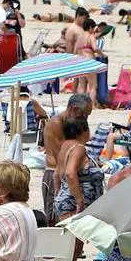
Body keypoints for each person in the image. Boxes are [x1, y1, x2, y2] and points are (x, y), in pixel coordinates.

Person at [43, 94, 93, 223]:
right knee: (54, 222)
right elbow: (61, 155)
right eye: (84, 114)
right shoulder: (56, 123)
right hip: (56, 173)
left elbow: (85, 139)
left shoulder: (76, 123)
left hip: (70, 175)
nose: (86, 118)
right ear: (75, 109)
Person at [52, 115, 104, 221]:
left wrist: (59, 195)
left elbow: (56, 175)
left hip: (65, 201)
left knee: (69, 238)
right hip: (75, 206)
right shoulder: (78, 148)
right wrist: (79, 200)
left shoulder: (65, 147)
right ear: (83, 131)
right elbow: (70, 173)